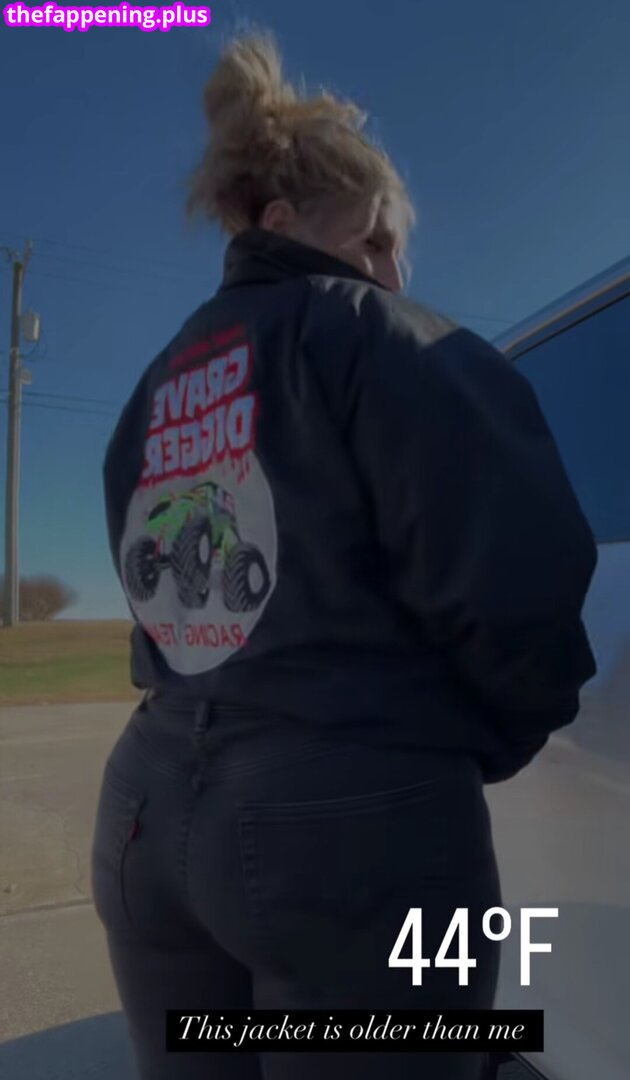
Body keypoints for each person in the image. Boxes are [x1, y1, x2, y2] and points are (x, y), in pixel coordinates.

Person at [90, 31, 597, 1080]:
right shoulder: (382, 339)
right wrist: (457, 752)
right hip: (349, 834)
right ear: (281, 222)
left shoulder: (156, 384)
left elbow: (157, 591)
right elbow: (517, 584)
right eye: (373, 241)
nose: (395, 272)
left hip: (144, 811)